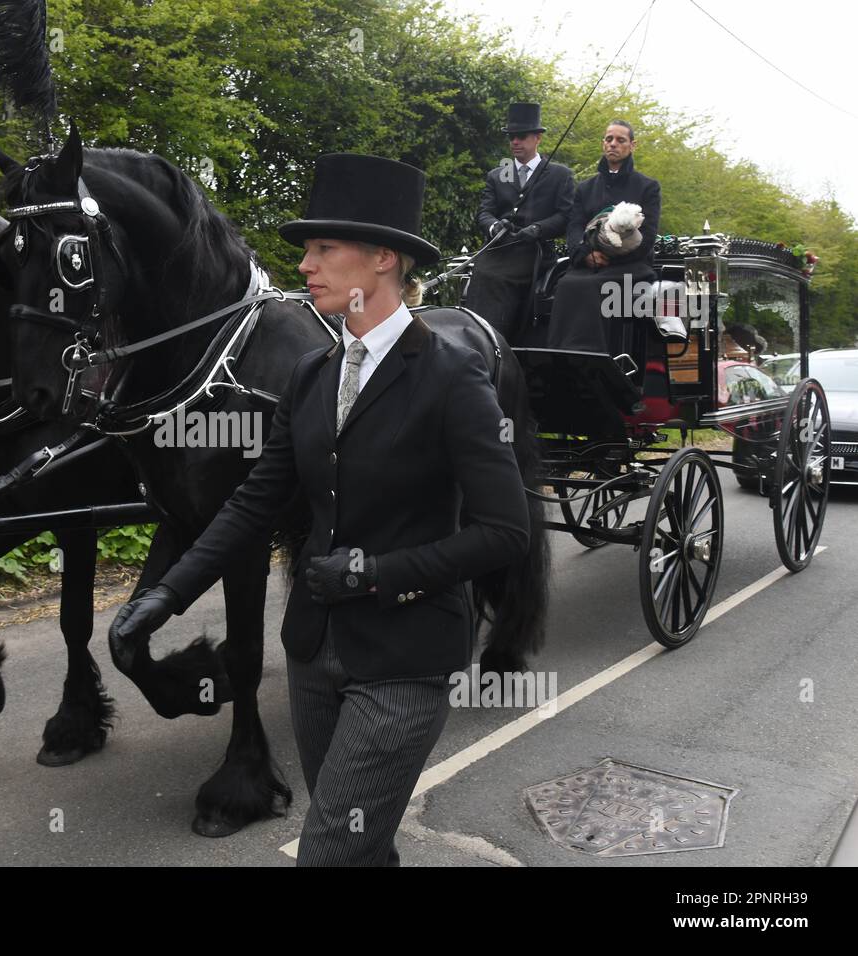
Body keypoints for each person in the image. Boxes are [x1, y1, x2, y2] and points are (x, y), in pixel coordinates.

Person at [107, 153, 531, 867]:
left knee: (328, 848)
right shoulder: (311, 373)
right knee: (364, 849)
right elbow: (250, 505)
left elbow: (504, 532)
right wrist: (162, 598)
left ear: (383, 258)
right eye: (307, 248)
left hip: (403, 661)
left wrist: (376, 574)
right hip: (311, 653)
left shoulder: (452, 377)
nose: (304, 264)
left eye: (323, 248)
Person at [547, 119, 661, 356]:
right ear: (603, 144)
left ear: (632, 145)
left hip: (631, 266)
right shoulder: (586, 188)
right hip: (589, 263)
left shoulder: (648, 187)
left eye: (620, 140)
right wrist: (584, 254)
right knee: (566, 283)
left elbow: (648, 236)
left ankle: (592, 357)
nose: (613, 144)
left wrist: (609, 256)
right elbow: (575, 225)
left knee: (590, 285)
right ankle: (559, 356)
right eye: (609, 139)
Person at [468, 102, 575, 343]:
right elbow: (484, 213)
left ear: (537, 138)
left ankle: (498, 342)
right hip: (500, 249)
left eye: (521, 136)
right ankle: (480, 340)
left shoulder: (560, 175)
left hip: (533, 251)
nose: (515, 142)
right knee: (482, 273)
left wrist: (537, 229)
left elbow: (565, 216)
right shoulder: (497, 175)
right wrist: (495, 226)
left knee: (497, 279)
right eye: (511, 137)